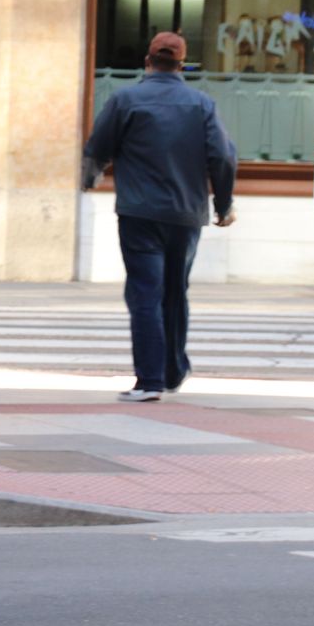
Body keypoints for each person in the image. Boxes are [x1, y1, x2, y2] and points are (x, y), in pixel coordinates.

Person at [83, 31, 237, 403]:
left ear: (147, 61)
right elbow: (223, 156)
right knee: (175, 291)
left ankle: (150, 380)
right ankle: (172, 371)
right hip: (185, 214)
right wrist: (223, 205)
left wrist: (89, 179)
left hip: (139, 212)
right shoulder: (202, 104)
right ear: (182, 65)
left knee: (145, 293)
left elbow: (97, 148)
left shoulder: (125, 100)